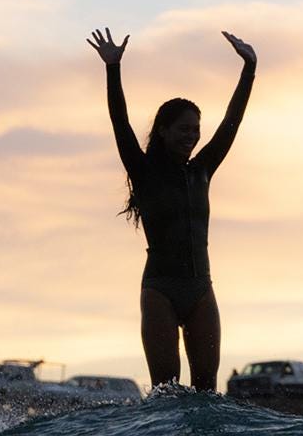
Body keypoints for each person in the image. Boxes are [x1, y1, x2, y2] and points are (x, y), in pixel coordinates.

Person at [88, 27, 257, 392]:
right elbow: (120, 122)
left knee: (206, 391)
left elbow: (232, 122)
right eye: (184, 129)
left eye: (196, 129)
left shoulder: (202, 171)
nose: (192, 136)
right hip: (160, 289)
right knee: (166, 389)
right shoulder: (144, 171)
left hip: (200, 288)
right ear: (163, 131)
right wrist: (112, 68)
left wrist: (249, 69)